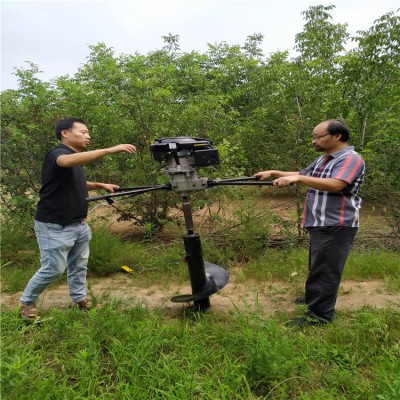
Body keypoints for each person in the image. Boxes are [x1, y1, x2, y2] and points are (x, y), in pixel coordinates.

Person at [19, 118, 136, 320]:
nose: (88, 136)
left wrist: (100, 185)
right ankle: (26, 302)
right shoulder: (57, 153)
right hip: (54, 225)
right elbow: (65, 162)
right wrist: (109, 150)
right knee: (53, 269)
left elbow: (76, 180)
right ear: (65, 133)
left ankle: (79, 299)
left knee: (79, 266)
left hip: (79, 224)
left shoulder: (74, 158)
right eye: (83, 132)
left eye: (88, 132)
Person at [255, 119, 365, 326]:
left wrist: (298, 180)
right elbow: (303, 174)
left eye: (318, 137)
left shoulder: (351, 159)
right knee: (318, 265)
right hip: (320, 221)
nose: (313, 141)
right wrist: (274, 173)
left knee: (326, 270)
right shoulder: (324, 159)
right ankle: (313, 299)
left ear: (337, 136)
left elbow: (336, 184)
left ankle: (320, 317)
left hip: (337, 223)